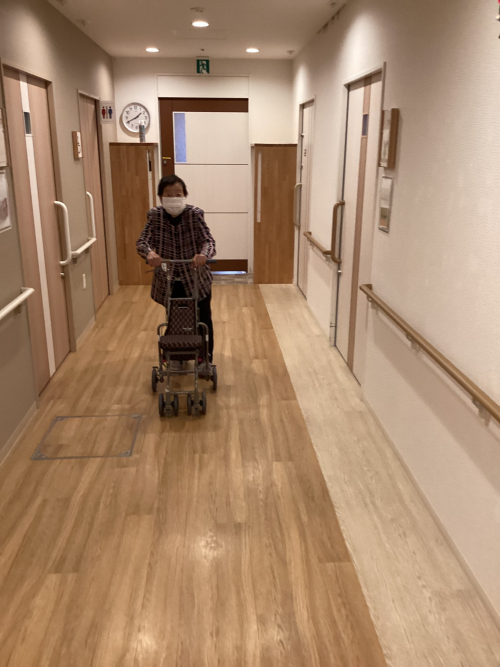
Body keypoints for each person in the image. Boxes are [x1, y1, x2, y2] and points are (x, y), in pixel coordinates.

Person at [136, 174, 216, 364]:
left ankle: (205, 357)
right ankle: (177, 353)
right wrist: (149, 253)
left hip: (195, 278)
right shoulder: (155, 216)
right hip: (168, 279)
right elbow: (142, 242)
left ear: (185, 195)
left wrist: (203, 254)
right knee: (176, 317)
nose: (173, 198)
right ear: (160, 197)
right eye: (168, 195)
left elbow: (208, 241)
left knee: (202, 318)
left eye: (178, 194)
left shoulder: (195, 214)